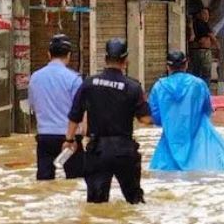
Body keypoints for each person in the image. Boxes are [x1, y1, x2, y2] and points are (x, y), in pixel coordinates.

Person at [63, 38, 152, 204]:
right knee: (135, 202)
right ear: (126, 61)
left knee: (97, 204)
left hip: (98, 151)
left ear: (105, 59)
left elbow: (75, 115)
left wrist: (69, 140)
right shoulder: (133, 87)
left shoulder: (89, 84)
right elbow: (145, 119)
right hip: (124, 151)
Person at [148, 51, 224, 171]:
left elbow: (156, 118)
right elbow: (207, 110)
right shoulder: (198, 84)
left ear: (168, 67)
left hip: (169, 141)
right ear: (186, 64)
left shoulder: (158, 86)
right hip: (197, 139)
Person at [28, 34, 84, 180]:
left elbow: (33, 106)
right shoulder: (74, 79)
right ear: (69, 55)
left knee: (44, 183)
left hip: (44, 138)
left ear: (48, 54)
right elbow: (80, 111)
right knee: (76, 181)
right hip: (69, 138)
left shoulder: (34, 77)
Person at [189, 8, 219, 83]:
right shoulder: (201, 23)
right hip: (203, 52)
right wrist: (218, 46)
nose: (207, 16)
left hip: (200, 51)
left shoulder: (197, 23)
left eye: (208, 14)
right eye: (204, 14)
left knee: (197, 72)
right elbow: (211, 36)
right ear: (199, 15)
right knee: (205, 73)